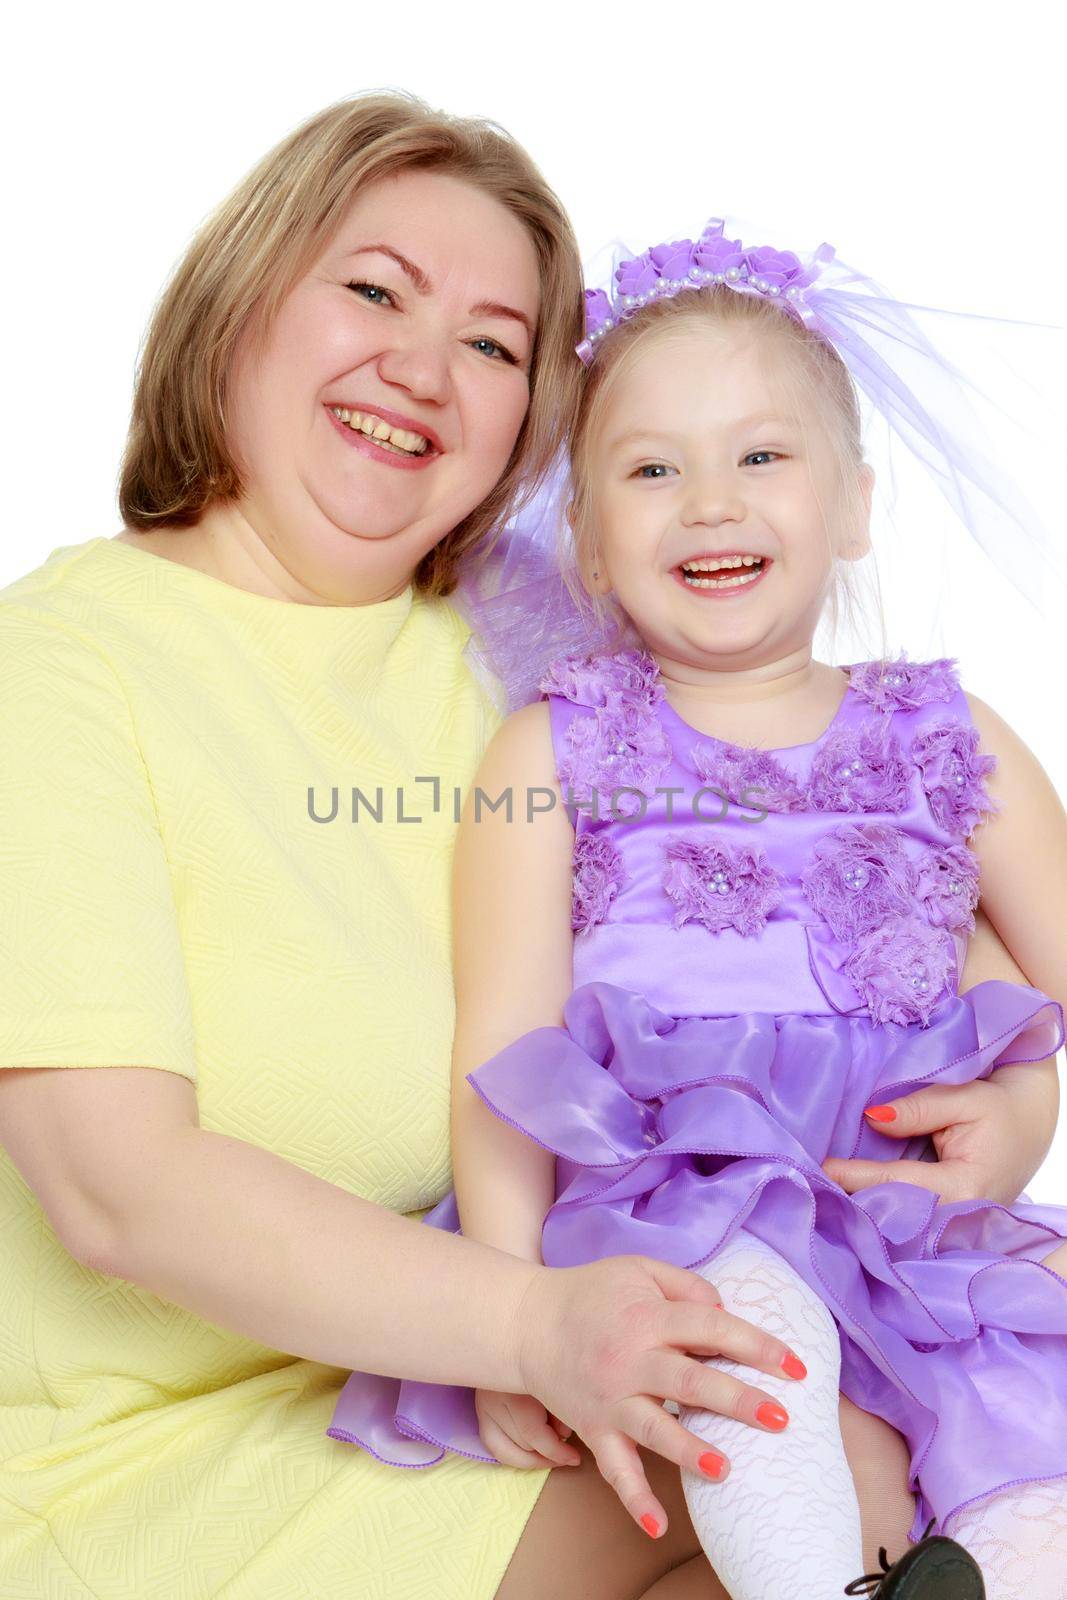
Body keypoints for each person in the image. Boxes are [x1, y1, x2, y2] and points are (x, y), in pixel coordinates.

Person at [331, 217, 1067, 1599]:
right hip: (672, 1217)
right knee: (744, 1350)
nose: (712, 503)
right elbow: (501, 1048)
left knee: (1019, 1440)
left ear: (852, 504)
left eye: (762, 456)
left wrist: (1025, 1114)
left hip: (906, 1224)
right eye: (654, 470)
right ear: (593, 544)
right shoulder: (557, 746)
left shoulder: (946, 734)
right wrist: (506, 1313)